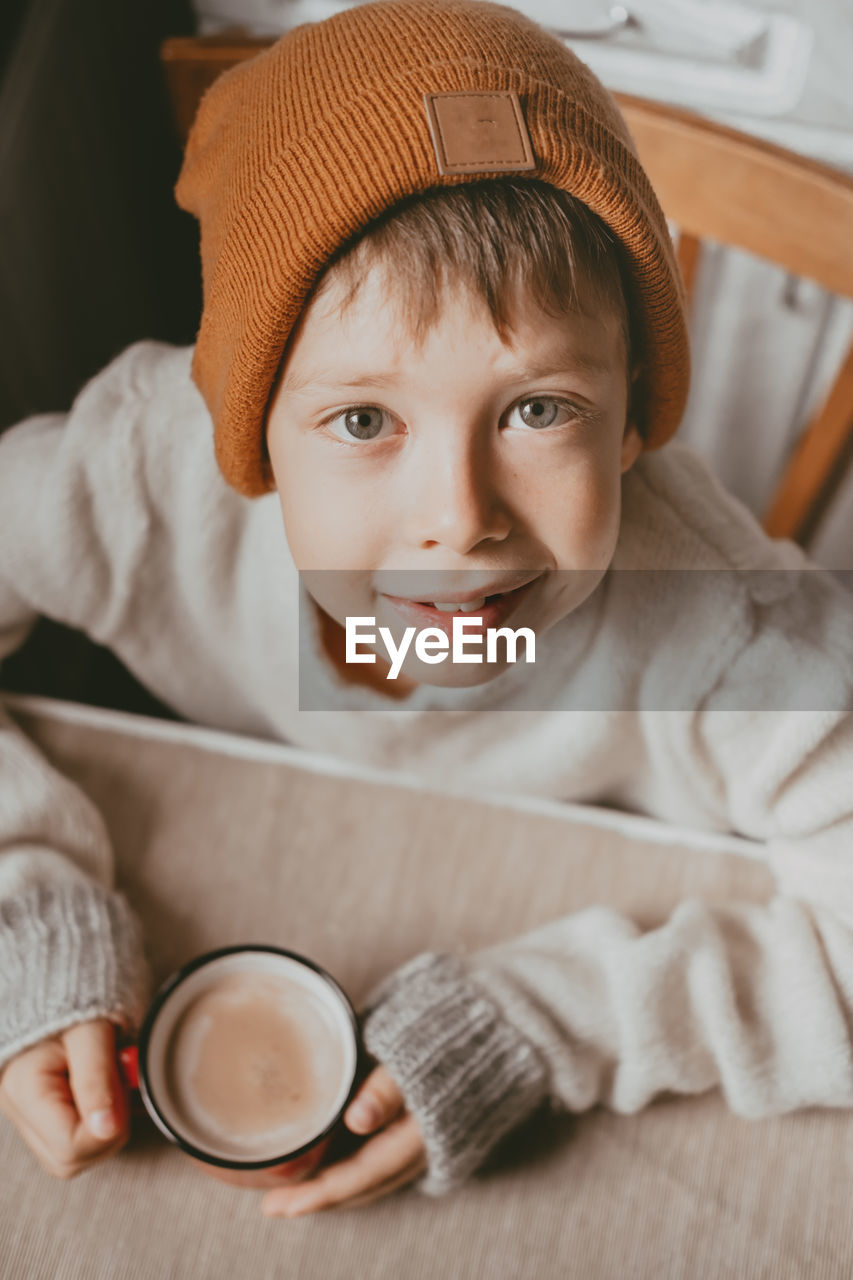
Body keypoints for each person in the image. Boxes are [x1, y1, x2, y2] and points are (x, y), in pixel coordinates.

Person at [1, 0, 852, 1222]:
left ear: (630, 422)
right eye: (362, 422)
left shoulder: (725, 625)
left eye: (537, 409)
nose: (458, 519)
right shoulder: (144, 477)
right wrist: (24, 899)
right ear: (249, 436)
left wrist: (559, 1016)